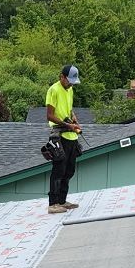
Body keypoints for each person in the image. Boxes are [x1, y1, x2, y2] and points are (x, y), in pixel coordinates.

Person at [43, 63, 83, 213]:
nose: (71, 84)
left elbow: (70, 109)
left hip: (71, 134)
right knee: (58, 169)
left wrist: (75, 121)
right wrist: (67, 125)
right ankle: (53, 204)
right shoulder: (54, 90)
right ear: (62, 77)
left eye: (73, 81)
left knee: (69, 170)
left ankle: (62, 200)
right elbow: (50, 115)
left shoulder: (70, 89)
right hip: (59, 135)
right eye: (69, 80)